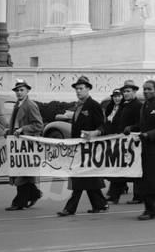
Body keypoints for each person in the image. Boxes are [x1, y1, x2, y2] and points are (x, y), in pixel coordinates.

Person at [57, 76, 109, 216]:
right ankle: (101, 204)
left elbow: (103, 125)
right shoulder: (78, 105)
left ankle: (70, 208)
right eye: (76, 89)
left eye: (81, 89)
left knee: (79, 177)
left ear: (88, 89)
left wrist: (95, 132)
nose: (78, 91)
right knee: (89, 177)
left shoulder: (93, 105)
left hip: (89, 148)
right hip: (79, 146)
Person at [124, 80, 155, 220]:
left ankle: (154, 211)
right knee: (145, 180)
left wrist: (148, 135)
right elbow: (143, 123)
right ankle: (147, 209)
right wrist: (132, 128)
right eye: (144, 89)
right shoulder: (145, 105)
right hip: (144, 148)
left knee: (153, 181)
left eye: (149, 89)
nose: (146, 91)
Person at [5, 78, 44, 211]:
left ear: (27, 91)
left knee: (22, 175)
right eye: (17, 90)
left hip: (27, 147)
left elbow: (38, 125)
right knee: (23, 174)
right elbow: (16, 123)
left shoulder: (30, 105)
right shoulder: (18, 104)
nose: (19, 93)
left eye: (22, 90)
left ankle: (19, 202)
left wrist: (23, 129)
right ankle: (34, 194)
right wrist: (9, 131)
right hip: (18, 146)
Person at [107, 80, 143, 205]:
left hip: (132, 143)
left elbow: (141, 123)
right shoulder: (124, 105)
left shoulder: (138, 105)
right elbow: (116, 122)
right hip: (121, 141)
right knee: (119, 169)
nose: (125, 94)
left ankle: (138, 196)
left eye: (128, 91)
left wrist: (131, 128)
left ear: (134, 92)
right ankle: (113, 195)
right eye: (124, 92)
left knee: (135, 170)